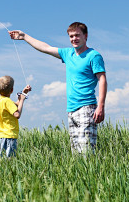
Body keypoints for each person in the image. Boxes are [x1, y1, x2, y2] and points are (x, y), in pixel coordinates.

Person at [9, 22, 106, 153]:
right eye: (71, 36)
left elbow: (102, 80)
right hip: (71, 110)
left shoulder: (94, 56)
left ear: (86, 36)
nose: (74, 39)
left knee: (86, 152)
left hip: (87, 108)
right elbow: (46, 48)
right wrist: (24, 36)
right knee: (76, 153)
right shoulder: (68, 54)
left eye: (77, 35)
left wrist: (100, 106)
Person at [0, 75, 32, 157]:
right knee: (10, 161)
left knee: (3, 160)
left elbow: (15, 105)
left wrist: (24, 93)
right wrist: (22, 99)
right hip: (9, 136)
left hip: (1, 137)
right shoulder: (7, 101)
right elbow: (17, 114)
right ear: (11, 90)